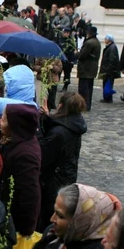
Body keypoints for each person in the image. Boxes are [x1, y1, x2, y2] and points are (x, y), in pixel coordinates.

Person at [38, 92, 87, 231]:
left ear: (60, 106)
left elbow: (44, 154)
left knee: (49, 215)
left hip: (55, 180)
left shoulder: (60, 132)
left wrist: (38, 132)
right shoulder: (75, 124)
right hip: (66, 175)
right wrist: (48, 118)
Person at [0, 104, 41, 236]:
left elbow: (30, 194)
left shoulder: (25, 155)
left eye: (3, 119)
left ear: (14, 125)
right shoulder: (20, 138)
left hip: (14, 221)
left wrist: (26, 231)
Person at [76, 26, 101, 111]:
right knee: (89, 89)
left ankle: (83, 105)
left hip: (85, 69)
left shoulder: (89, 43)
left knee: (83, 89)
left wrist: (76, 53)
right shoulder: (97, 42)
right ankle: (87, 105)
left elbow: (82, 55)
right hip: (92, 69)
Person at [99, 34, 120, 103]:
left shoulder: (112, 48)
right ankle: (107, 98)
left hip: (109, 71)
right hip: (108, 69)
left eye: (105, 39)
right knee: (107, 84)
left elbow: (112, 60)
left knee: (108, 84)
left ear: (108, 40)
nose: (104, 40)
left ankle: (108, 98)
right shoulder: (111, 47)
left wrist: (108, 70)